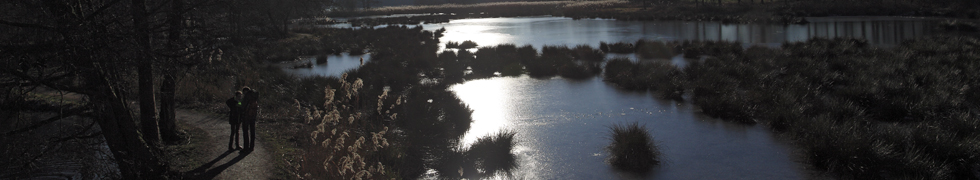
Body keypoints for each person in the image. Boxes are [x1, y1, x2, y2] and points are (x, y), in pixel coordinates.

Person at [241, 87, 259, 151]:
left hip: (246, 117)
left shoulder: (246, 98)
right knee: (252, 132)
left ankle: (246, 147)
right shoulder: (254, 98)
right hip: (253, 117)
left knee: (245, 132)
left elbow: (242, 106)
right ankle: (252, 147)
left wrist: (239, 103)